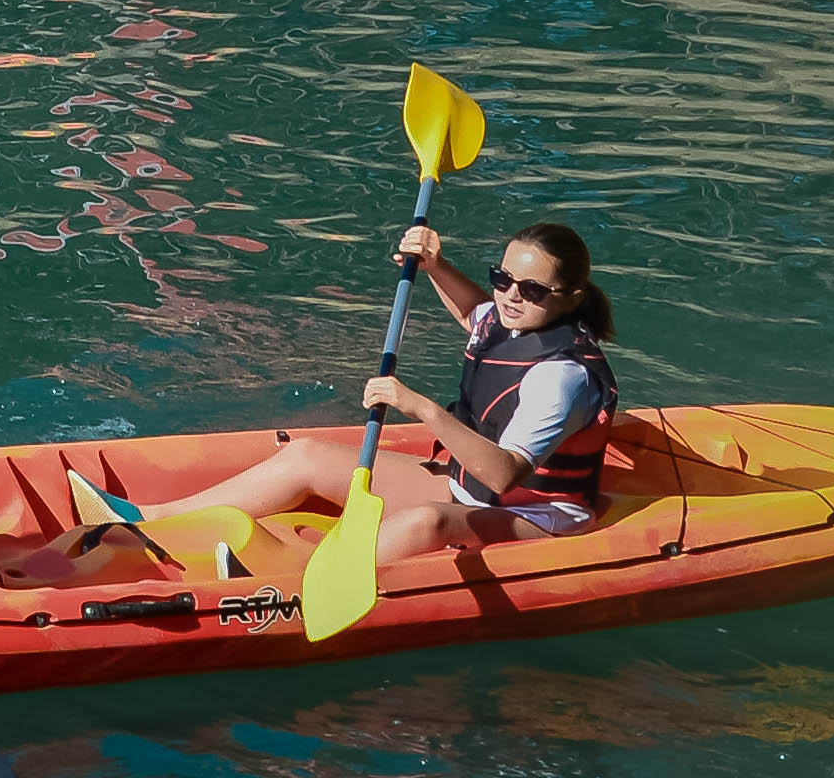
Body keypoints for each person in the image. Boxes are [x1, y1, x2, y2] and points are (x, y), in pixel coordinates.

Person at [161, 221, 618, 559]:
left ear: (572, 298)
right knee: (306, 456)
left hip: (539, 516)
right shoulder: (506, 319)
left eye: (532, 289)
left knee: (427, 522)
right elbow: (475, 316)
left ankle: (293, 576)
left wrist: (421, 408)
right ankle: (152, 520)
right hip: (468, 487)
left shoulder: (562, 377)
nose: (511, 296)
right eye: (503, 279)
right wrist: (434, 264)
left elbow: (504, 476)